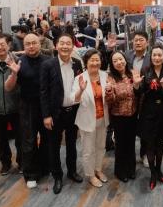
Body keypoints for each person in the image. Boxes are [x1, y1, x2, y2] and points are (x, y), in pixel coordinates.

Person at [5, 33, 51, 189]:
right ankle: (30, 174)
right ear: (23, 46)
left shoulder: (49, 61)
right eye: (28, 44)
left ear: (39, 44)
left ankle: (44, 167)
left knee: (47, 138)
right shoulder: (19, 62)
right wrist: (14, 73)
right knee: (28, 140)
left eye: (34, 43)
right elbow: (8, 87)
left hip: (46, 106)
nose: (31, 46)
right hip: (27, 106)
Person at [40, 34, 84, 194]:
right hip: (55, 113)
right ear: (56, 46)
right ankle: (57, 176)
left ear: (73, 46)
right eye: (62, 43)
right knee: (54, 146)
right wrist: (46, 115)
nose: (65, 46)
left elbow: (80, 86)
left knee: (72, 144)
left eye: (68, 43)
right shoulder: (48, 65)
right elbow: (43, 92)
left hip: (72, 111)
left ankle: (72, 171)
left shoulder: (77, 63)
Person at [134, 45, 163, 190]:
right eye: (154, 55)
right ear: (150, 57)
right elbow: (140, 92)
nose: (157, 58)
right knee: (150, 144)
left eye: (159, 55)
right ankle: (152, 173)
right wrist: (136, 86)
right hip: (148, 112)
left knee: (160, 143)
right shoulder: (145, 70)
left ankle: (159, 170)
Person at [73, 49, 110, 188]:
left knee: (101, 146)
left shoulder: (105, 75)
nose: (95, 63)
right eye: (92, 60)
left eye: (97, 60)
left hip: (103, 118)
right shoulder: (80, 78)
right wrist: (81, 90)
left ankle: (98, 169)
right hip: (87, 119)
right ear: (86, 62)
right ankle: (90, 175)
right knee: (88, 150)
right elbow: (74, 99)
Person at [0, 34, 21, 175]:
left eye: (2, 44)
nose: (0, 47)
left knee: (20, 138)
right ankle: (6, 164)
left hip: (16, 108)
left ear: (9, 46)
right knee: (1, 140)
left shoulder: (18, 61)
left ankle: (22, 163)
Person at [105, 51, 138, 182]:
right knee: (121, 144)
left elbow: (138, 92)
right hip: (118, 116)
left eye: (120, 59)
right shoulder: (110, 78)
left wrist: (138, 85)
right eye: (115, 61)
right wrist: (109, 92)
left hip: (133, 114)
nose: (119, 62)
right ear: (112, 64)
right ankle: (120, 171)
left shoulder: (133, 73)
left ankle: (131, 169)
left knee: (131, 142)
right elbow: (110, 101)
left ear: (125, 59)